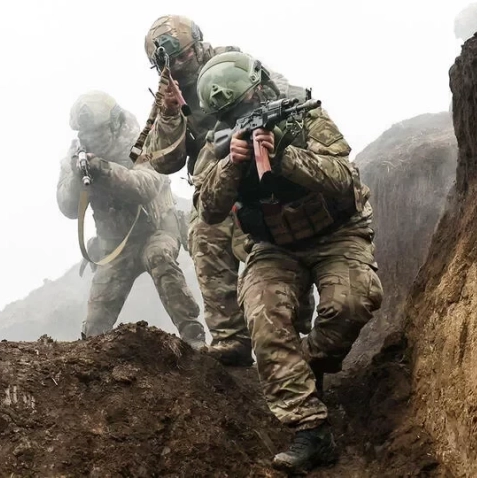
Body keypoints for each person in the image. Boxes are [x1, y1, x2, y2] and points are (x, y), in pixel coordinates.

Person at [194, 52, 384, 473]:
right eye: (233, 113)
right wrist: (232, 164)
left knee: (352, 303)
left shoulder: (303, 116)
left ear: (260, 87)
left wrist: (283, 156)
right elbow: (207, 209)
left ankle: (305, 365)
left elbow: (345, 178)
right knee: (265, 321)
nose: (244, 114)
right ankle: (311, 430)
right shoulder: (218, 145)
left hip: (337, 234)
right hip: (273, 246)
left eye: (247, 103)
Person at [141, 15, 315, 366]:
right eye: (171, 63)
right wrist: (170, 113)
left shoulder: (231, 63)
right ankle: (230, 338)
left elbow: (282, 93)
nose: (180, 66)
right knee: (204, 235)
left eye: (184, 56)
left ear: (198, 45)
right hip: (216, 184)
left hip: (262, 171)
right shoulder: (169, 94)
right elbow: (163, 161)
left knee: (276, 244)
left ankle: (296, 329)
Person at [56, 90, 206, 349]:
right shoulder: (75, 157)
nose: (91, 138)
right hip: (116, 246)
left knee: (159, 257)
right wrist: (76, 178)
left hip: (157, 230)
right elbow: (68, 208)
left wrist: (104, 170)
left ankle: (193, 337)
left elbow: (145, 187)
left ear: (114, 124)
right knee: (95, 326)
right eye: (85, 133)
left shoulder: (143, 142)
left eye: (96, 131)